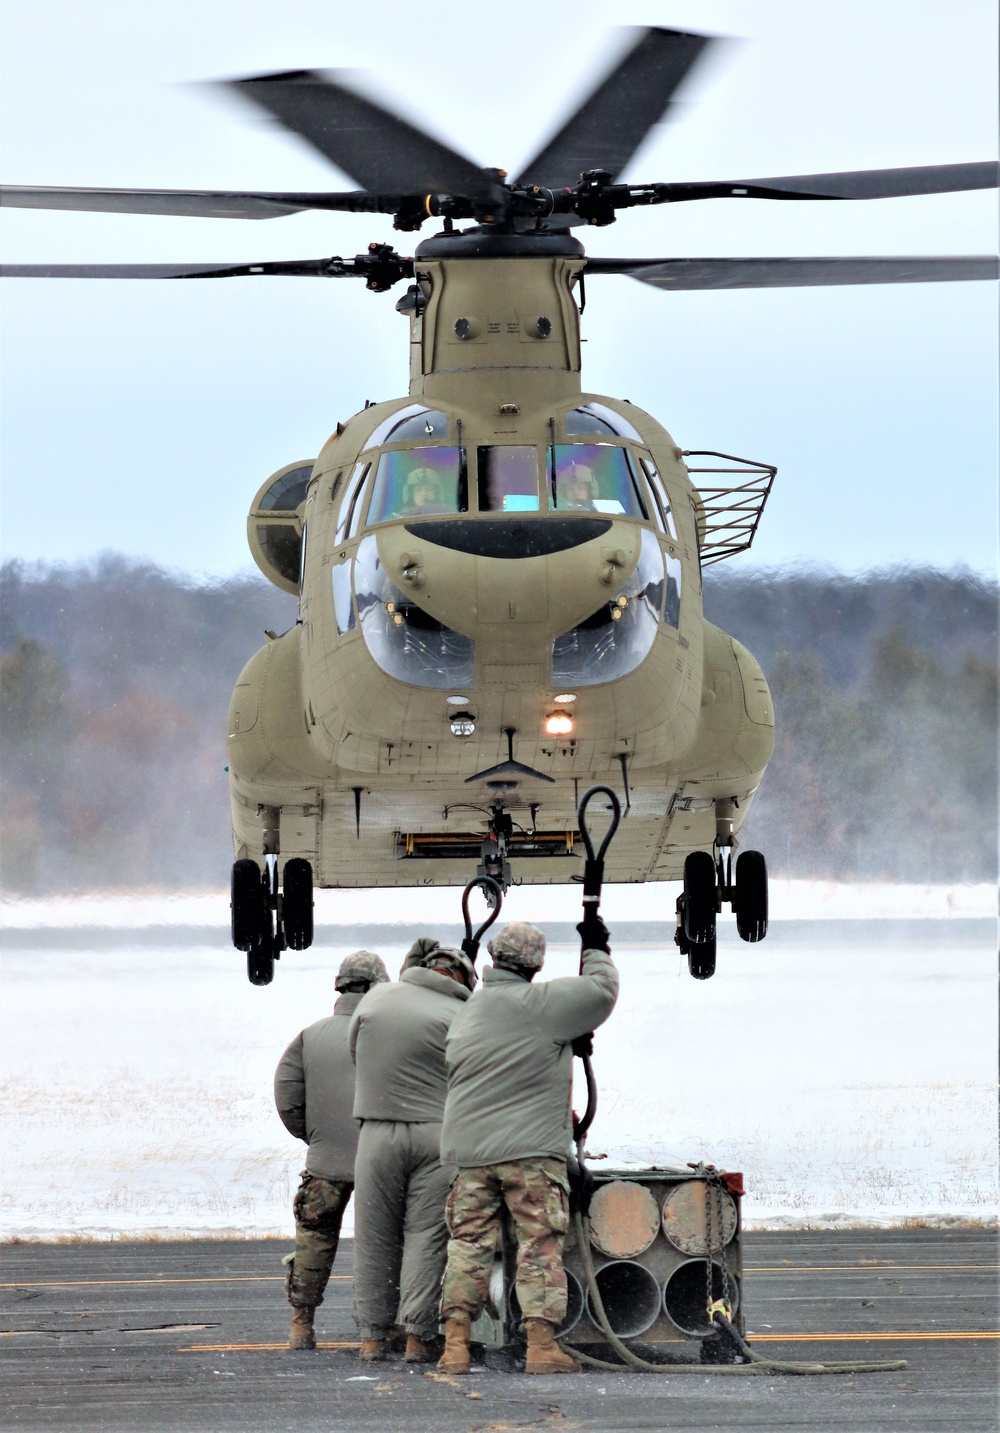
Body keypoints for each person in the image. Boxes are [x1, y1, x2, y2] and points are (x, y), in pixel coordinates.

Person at [437, 918, 619, 1376]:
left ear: (494, 958)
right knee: (538, 1246)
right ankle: (541, 1347)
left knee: (468, 1246)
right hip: (529, 1155)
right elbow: (600, 992)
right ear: (536, 965)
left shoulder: (469, 1011)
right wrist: (596, 946)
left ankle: (455, 1346)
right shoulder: (542, 1004)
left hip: (471, 1155)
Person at [348, 939, 477, 1364]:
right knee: (426, 1236)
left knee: (374, 1235)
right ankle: (418, 1338)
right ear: (461, 977)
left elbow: (356, 1052)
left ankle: (371, 1337)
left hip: (376, 1133)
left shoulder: (379, 996)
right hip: (436, 1134)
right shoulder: (462, 1014)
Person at [274, 949, 390, 1351]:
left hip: (326, 1162)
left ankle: (301, 1325)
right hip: (385, 1161)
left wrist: (315, 1136)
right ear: (380, 985)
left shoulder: (310, 1036)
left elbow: (287, 1097)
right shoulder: (390, 1032)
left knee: (314, 1240)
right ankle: (380, 1333)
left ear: (340, 988)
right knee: (385, 1244)